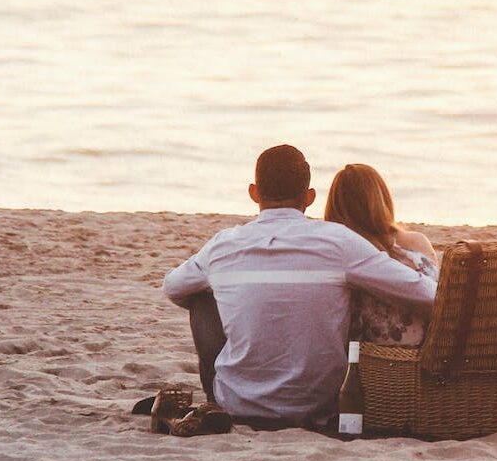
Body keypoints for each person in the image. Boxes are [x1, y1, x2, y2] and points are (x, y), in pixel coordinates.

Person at [162, 145, 437, 428]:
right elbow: (425, 294)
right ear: (309, 197)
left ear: (254, 193)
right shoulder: (338, 242)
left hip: (238, 403)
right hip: (320, 406)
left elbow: (172, 286)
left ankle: (213, 400)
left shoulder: (222, 245)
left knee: (200, 296)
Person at [323, 163, 439, 346]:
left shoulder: (344, 253)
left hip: (373, 359)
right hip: (432, 350)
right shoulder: (417, 242)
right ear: (382, 198)